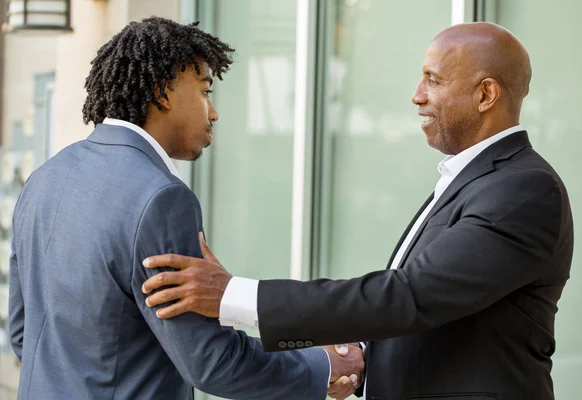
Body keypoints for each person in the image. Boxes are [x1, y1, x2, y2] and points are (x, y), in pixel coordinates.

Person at [141, 22, 574, 400]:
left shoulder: (523, 189)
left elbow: (411, 296)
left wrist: (233, 294)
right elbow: (432, 311)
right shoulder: (479, 181)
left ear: (486, 94)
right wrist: (359, 360)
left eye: (433, 80)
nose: (417, 95)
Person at [8, 17, 363, 400]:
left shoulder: (44, 177)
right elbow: (211, 363)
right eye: (205, 91)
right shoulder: (160, 198)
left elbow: (23, 334)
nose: (213, 113)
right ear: (163, 91)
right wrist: (323, 364)